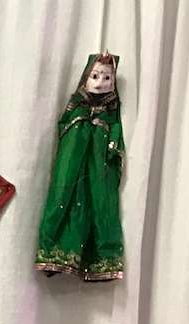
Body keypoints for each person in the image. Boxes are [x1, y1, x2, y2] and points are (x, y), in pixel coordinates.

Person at [36, 53, 125, 282]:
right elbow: (64, 125)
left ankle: (100, 260)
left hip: (99, 167)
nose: (100, 83)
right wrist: (82, 127)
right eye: (95, 76)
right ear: (85, 77)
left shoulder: (112, 109)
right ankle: (56, 252)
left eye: (106, 78)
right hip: (73, 161)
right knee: (63, 196)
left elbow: (116, 133)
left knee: (101, 203)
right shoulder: (77, 104)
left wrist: (110, 143)